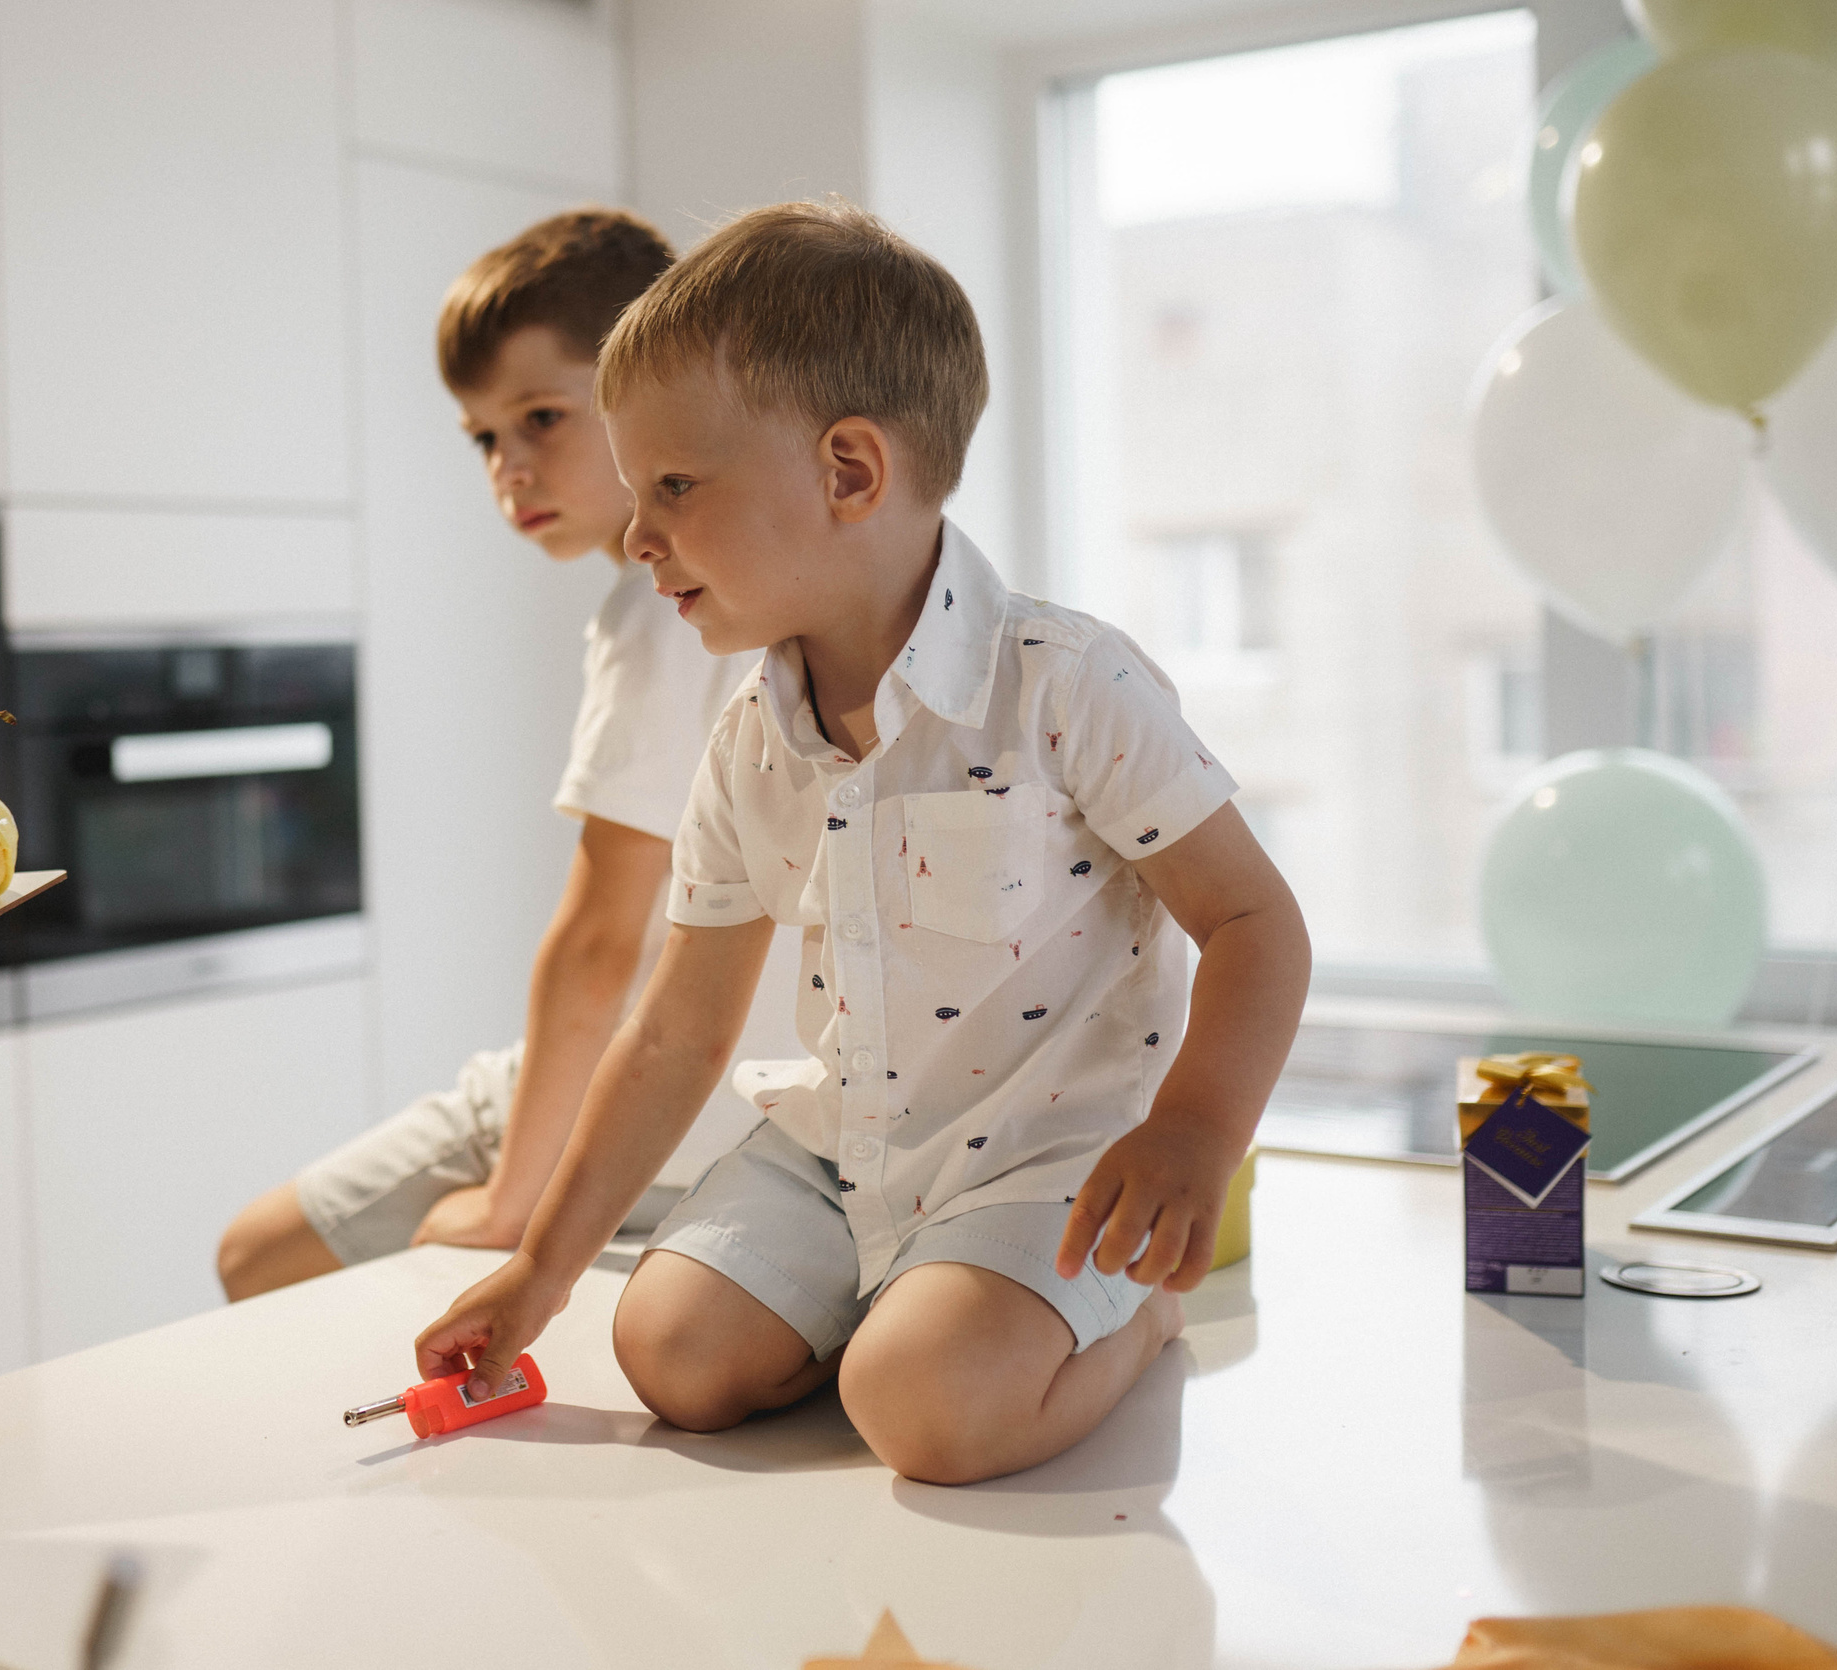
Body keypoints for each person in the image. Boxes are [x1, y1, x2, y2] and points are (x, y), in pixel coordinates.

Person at [411, 202, 1312, 1486]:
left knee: (926, 1410)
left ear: (848, 472)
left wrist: (1194, 1131)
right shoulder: (747, 740)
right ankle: (919, 1312)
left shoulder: (1067, 684)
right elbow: (673, 1031)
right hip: (846, 1150)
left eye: (673, 485)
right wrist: (541, 1266)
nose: (636, 531)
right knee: (672, 1357)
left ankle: (1126, 1316)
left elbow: (1253, 920)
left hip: (1048, 1158)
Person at [217, 208, 788, 1298]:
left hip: (621, 1101)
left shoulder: (655, 612)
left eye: (540, 418)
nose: (509, 467)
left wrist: (509, 1204)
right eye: (485, 436)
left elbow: (598, 937)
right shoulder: (753, 588)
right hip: (696, 1100)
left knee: (253, 1254)